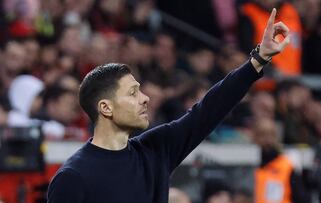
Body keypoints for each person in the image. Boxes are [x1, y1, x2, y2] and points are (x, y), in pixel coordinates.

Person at [47, 8, 290, 203]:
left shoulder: (155, 150)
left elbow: (207, 110)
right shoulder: (73, 178)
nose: (145, 98)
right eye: (133, 93)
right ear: (106, 108)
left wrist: (258, 60)